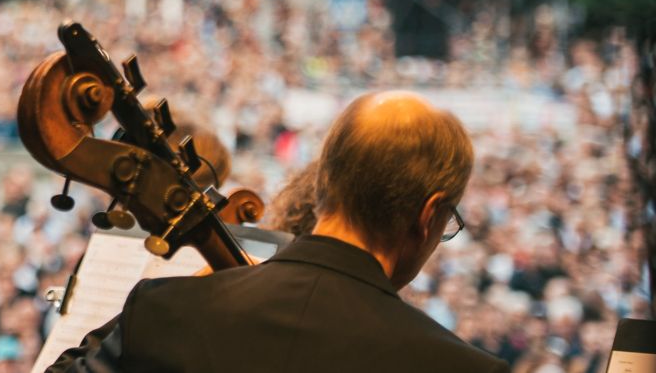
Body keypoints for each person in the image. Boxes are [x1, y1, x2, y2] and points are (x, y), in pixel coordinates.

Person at [47, 90, 507, 373]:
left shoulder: (164, 311)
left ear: (324, 180)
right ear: (428, 216)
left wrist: (190, 290)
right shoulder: (460, 366)